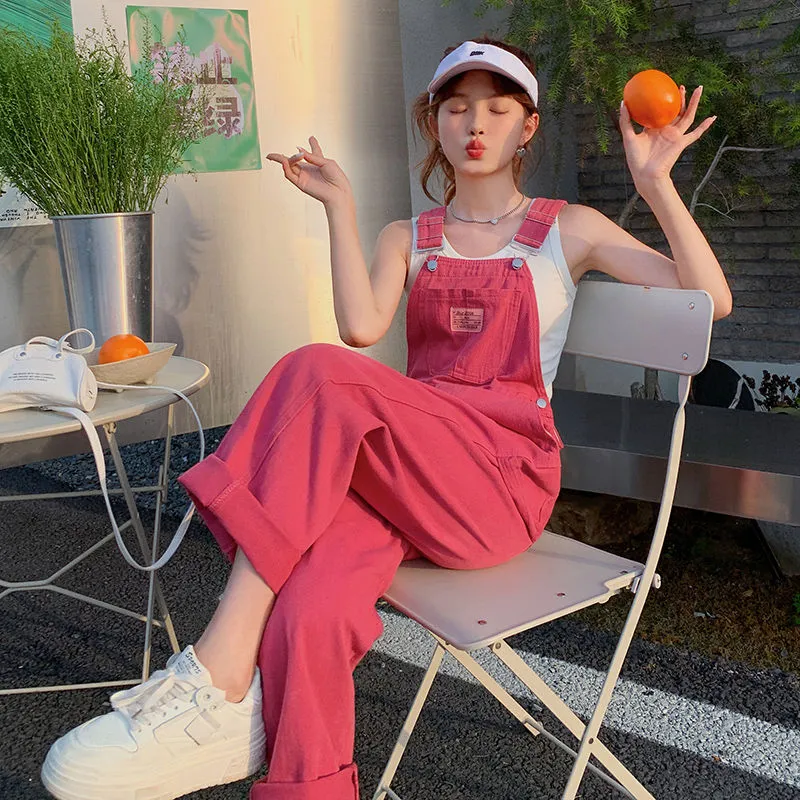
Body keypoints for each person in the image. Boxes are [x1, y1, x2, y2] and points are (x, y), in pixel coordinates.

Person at [40, 36, 732, 800]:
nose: (476, 124)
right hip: (411, 471)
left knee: (316, 375)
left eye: (497, 109)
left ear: (527, 126)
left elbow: (710, 300)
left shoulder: (570, 229)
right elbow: (361, 326)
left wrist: (656, 182)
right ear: (433, 123)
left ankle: (217, 671)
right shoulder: (409, 237)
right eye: (456, 108)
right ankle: (307, 783)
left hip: (499, 487)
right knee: (310, 599)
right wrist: (340, 207)